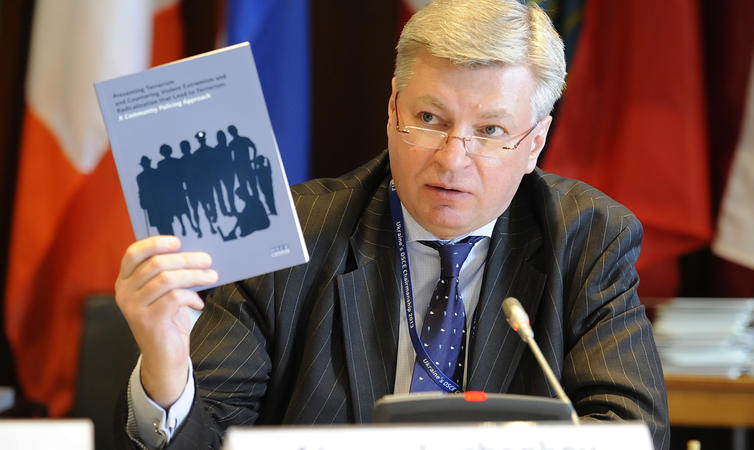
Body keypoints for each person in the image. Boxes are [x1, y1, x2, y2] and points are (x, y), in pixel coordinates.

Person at [113, 1, 669, 449]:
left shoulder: (586, 238)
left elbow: (631, 434)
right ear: (392, 111)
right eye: (429, 118)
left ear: (534, 144)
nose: (452, 158)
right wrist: (167, 368)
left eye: (491, 131)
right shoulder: (293, 236)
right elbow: (208, 435)